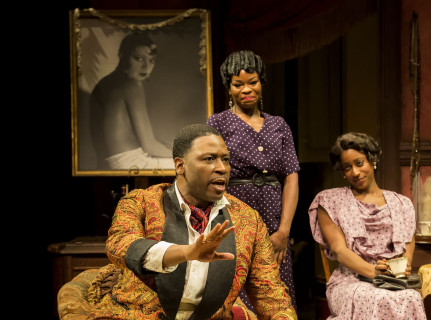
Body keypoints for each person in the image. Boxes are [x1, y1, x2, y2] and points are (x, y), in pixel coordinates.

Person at [86, 124, 297, 320]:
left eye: (226, 159)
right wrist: (187, 253)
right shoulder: (141, 202)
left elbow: (271, 296)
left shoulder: (249, 219)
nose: (222, 168)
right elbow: (119, 245)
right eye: (209, 159)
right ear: (180, 166)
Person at [207, 50, 300, 311]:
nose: (247, 89)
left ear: (262, 82)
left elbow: (291, 175)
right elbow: (210, 170)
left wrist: (284, 231)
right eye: (238, 84)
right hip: (234, 212)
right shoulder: (218, 123)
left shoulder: (279, 125)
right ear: (228, 88)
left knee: (275, 288)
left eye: (253, 82)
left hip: (274, 215)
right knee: (237, 284)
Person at [308, 132, 426, 319]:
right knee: (374, 297)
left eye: (359, 163)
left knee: (411, 296)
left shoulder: (401, 203)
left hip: (392, 280)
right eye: (347, 168)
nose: (355, 172)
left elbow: (407, 247)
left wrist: (403, 268)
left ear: (372, 161)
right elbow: (340, 250)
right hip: (350, 280)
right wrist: (373, 272)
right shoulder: (330, 201)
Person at [89, 32, 173, 170]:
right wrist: (183, 155)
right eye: (139, 59)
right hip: (130, 164)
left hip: (109, 163)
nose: (146, 66)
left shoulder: (103, 83)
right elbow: (150, 146)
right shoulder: (131, 85)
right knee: (192, 167)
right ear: (122, 56)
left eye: (151, 60)